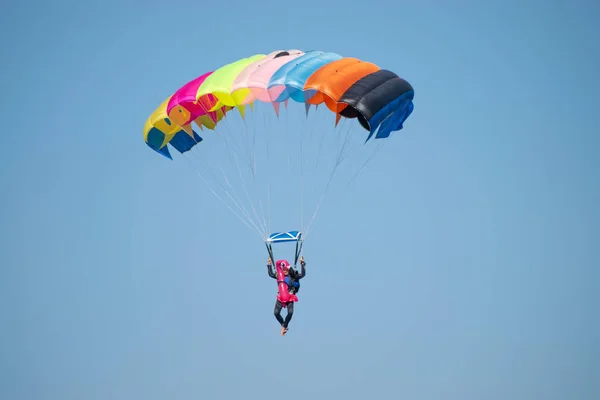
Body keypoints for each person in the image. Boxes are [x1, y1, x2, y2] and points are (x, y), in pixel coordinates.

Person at [267, 256, 306, 335]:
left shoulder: (293, 276)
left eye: (286, 270)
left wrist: (302, 264)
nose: (284, 272)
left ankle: (285, 326)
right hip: (281, 297)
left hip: (290, 297)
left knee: (290, 313)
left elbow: (302, 274)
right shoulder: (279, 275)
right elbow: (271, 274)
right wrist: (269, 265)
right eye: (283, 270)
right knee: (276, 313)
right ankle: (283, 324)